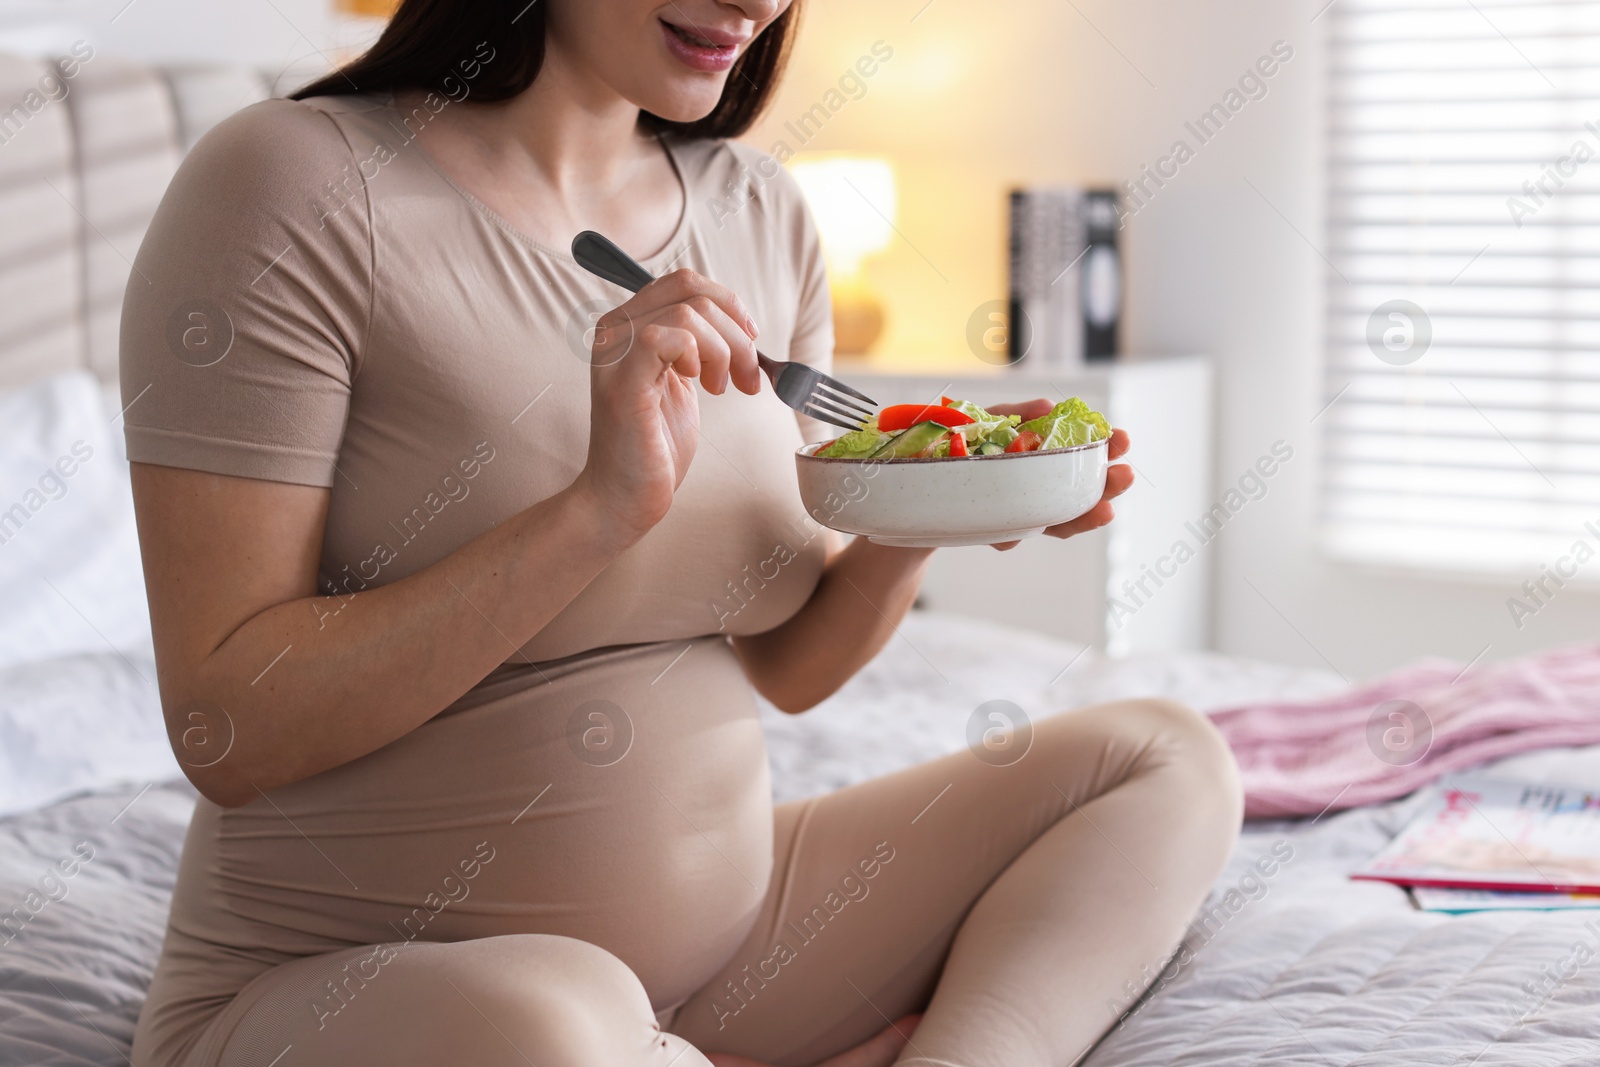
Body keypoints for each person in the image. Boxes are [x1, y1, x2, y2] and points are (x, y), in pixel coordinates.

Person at [119, 1, 1243, 1064]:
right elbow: (228, 728)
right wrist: (595, 514)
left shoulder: (757, 208)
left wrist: (933, 501)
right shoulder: (288, 181)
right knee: (559, 1022)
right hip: (381, 989)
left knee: (1164, 755)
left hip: (737, 948)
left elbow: (790, 666)